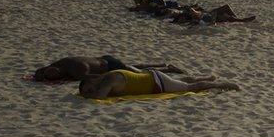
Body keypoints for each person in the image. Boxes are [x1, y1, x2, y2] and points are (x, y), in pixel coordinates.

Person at [78, 69, 239, 99]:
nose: (88, 93)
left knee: (189, 88)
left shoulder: (108, 81)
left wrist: (89, 96)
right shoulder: (107, 76)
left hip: (156, 83)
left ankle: (220, 84)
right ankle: (205, 77)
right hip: (152, 76)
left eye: (89, 90)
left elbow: (99, 97)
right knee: (182, 81)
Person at [34, 55, 183, 81]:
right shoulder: (59, 64)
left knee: (138, 72)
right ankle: (162, 64)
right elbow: (40, 71)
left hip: (108, 65)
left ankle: (168, 69)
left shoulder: (78, 69)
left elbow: (88, 77)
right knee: (134, 66)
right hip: (104, 59)